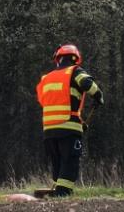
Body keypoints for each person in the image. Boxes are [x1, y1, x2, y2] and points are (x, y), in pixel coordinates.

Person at [36, 43, 105, 197]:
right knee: (69, 160)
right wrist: (98, 96)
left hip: (48, 129)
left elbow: (42, 99)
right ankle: (63, 192)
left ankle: (57, 189)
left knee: (58, 161)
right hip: (68, 127)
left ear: (58, 59)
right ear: (75, 59)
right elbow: (87, 84)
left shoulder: (46, 78)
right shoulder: (75, 71)